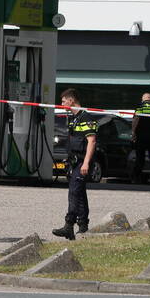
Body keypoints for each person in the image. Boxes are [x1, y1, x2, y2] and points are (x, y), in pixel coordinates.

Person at [52, 89, 98, 240]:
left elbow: (92, 141)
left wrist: (86, 163)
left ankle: (68, 225)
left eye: (64, 101)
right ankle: (83, 225)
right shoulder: (73, 118)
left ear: (72, 100)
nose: (62, 104)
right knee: (80, 193)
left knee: (74, 192)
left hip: (82, 162)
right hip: (74, 161)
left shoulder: (86, 117)